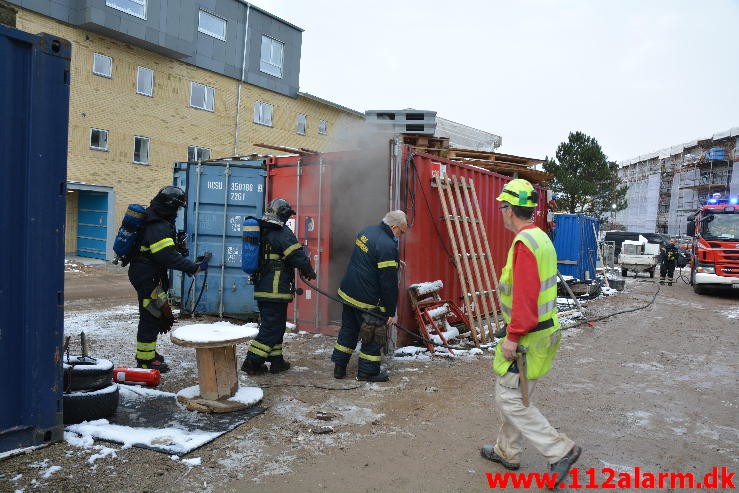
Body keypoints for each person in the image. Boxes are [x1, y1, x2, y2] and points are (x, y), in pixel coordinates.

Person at [480, 179, 581, 482]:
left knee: (508, 398)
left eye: (502, 207)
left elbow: (524, 295)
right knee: (517, 394)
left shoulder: (524, 244)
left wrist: (513, 335)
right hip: (543, 330)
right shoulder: (541, 238)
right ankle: (507, 451)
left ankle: (559, 450)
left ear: (510, 210)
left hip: (529, 336)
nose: (501, 212)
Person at [128, 186, 207, 373]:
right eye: (177, 208)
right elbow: (166, 256)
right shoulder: (158, 224)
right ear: (170, 205)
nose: (178, 212)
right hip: (148, 276)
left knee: (154, 314)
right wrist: (192, 267)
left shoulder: (156, 219)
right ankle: (145, 362)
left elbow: (164, 251)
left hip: (147, 273)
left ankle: (148, 355)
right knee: (150, 317)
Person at [241, 198, 316, 375]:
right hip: (275, 289)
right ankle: (252, 362)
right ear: (282, 215)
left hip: (263, 287)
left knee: (274, 325)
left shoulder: (263, 228)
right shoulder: (281, 232)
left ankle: (276, 361)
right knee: (272, 328)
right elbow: (296, 254)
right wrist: (308, 270)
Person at [331, 210, 407, 382]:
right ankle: (367, 372)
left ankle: (339, 368)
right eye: (401, 232)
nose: (401, 236)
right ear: (394, 227)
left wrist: (393, 261)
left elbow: (369, 259)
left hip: (348, 293)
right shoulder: (388, 246)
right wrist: (390, 311)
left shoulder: (367, 232)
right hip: (367, 300)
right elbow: (388, 285)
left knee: (348, 331)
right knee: (373, 334)